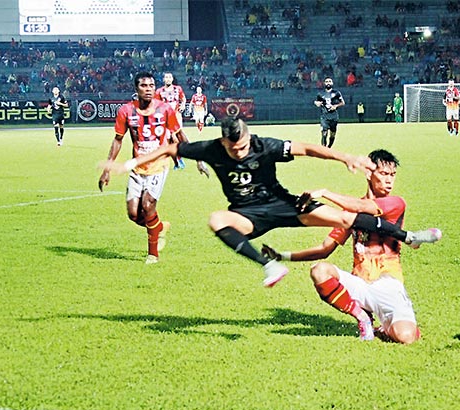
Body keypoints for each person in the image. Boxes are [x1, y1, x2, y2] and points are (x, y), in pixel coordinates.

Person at [102, 117, 441, 288]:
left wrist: (344, 157)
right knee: (217, 220)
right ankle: (269, 266)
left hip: (283, 204)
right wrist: (128, 165)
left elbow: (307, 148)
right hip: (248, 215)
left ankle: (408, 236)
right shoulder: (211, 149)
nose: (240, 151)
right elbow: (172, 149)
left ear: (249, 135)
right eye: (234, 149)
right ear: (223, 141)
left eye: (244, 145)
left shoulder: (265, 144)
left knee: (344, 220)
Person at [262, 149, 440, 342]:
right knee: (320, 271)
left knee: (406, 338)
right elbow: (325, 249)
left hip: (388, 285)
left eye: (393, 175)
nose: (389, 181)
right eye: (383, 174)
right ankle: (363, 317)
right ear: (369, 173)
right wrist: (282, 256)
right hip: (360, 286)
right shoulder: (349, 212)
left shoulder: (396, 203)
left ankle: (389, 327)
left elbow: (362, 208)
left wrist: (324, 193)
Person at [97, 71, 209, 264]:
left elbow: (179, 135)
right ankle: (157, 228)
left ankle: (152, 254)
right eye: (143, 86)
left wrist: (198, 158)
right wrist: (107, 169)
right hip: (138, 168)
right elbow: (118, 140)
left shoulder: (165, 109)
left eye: (151, 86)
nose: (148, 90)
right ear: (136, 89)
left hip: (159, 165)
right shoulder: (126, 111)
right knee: (133, 214)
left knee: (148, 205)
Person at [155, 72, 187, 169]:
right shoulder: (159, 91)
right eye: (166, 77)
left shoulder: (178, 89)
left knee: (176, 136)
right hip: (166, 118)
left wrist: (183, 105)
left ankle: (179, 159)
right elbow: (156, 104)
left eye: (170, 77)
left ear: (172, 79)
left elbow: (183, 98)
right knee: (169, 139)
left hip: (176, 116)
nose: (168, 79)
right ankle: (178, 160)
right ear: (164, 79)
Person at [314, 77, 345, 148]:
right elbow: (317, 101)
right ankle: (323, 149)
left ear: (332, 83)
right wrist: (316, 103)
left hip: (334, 116)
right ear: (324, 83)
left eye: (329, 81)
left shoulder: (336, 93)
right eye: (326, 81)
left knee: (332, 133)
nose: (328, 83)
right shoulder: (320, 94)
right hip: (324, 115)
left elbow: (343, 103)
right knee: (324, 131)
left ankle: (329, 146)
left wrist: (336, 106)